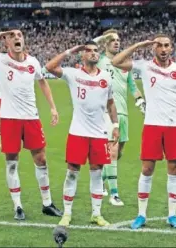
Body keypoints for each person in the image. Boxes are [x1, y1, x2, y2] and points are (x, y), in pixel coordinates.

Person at [0, 30, 62, 220]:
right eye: (12, 36)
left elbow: (42, 83)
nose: (17, 37)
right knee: (11, 162)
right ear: (6, 42)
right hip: (9, 119)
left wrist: (52, 108)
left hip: (31, 117)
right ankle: (17, 206)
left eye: (20, 35)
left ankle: (47, 203)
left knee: (41, 159)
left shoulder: (33, 62)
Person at [111, 34, 176, 229]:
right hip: (152, 125)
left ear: (172, 48)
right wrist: (137, 44)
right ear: (154, 48)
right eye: (159, 45)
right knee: (147, 169)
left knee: (174, 169)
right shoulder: (144, 66)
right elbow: (115, 61)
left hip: (174, 126)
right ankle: (141, 215)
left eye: (166, 45)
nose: (162, 49)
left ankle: (172, 215)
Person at [45, 41, 120, 227]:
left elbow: (111, 103)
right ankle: (67, 213)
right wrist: (70, 50)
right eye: (89, 51)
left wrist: (116, 124)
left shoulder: (106, 77)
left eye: (96, 51)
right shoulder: (73, 74)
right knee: (72, 173)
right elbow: (49, 67)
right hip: (77, 132)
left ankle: (96, 213)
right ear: (82, 55)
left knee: (97, 173)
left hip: (99, 133)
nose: (94, 54)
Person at [93, 29, 146, 206]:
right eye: (113, 40)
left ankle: (100, 179)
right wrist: (101, 39)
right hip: (106, 112)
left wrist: (140, 101)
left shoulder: (125, 65)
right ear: (106, 43)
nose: (117, 42)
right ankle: (114, 194)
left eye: (118, 40)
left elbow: (133, 86)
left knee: (119, 152)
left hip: (123, 113)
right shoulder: (99, 60)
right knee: (113, 153)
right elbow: (88, 45)